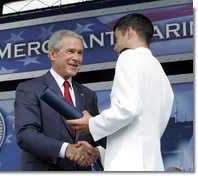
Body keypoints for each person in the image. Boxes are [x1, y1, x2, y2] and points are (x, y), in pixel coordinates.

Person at [67, 13, 174, 171]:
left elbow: (128, 109)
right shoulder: (159, 72)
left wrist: (92, 124)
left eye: (116, 39)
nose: (115, 47)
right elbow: (141, 129)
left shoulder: (128, 57)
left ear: (129, 32)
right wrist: (100, 151)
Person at [15, 29, 105, 171]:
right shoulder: (30, 89)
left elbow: (97, 134)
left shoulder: (88, 95)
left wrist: (93, 151)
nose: (77, 58)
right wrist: (66, 149)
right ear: (52, 54)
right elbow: (25, 134)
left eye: (80, 53)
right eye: (71, 51)